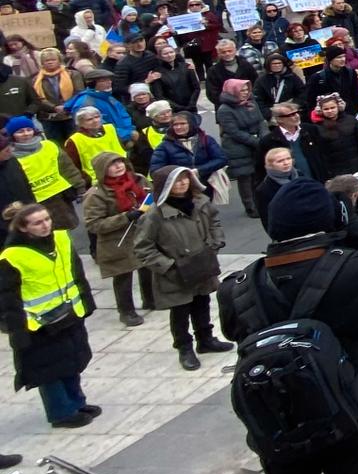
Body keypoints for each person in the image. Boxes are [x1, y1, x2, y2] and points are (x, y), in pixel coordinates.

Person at [218, 177, 358, 474]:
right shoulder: (355, 270)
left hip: (281, 417)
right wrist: (353, 223)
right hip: (352, 411)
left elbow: (235, 331)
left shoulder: (237, 287)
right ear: (333, 217)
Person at [0, 201, 99, 428]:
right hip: (40, 325)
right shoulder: (12, 256)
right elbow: (7, 299)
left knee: (72, 362)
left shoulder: (61, 239)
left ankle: (76, 402)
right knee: (50, 371)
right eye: (37, 223)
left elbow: (77, 273)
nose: (45, 226)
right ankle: (61, 413)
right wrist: (17, 334)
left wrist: (86, 303)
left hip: (69, 315)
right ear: (24, 228)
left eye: (47, 220)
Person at [134, 164, 232, 370]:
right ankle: (184, 348)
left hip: (201, 265)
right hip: (175, 273)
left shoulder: (200, 202)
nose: (183, 183)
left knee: (202, 303)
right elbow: (143, 248)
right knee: (180, 312)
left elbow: (214, 221)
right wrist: (169, 266)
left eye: (185, 178)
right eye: (177, 180)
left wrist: (215, 243)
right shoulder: (154, 215)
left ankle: (205, 339)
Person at [79, 153, 149, 326]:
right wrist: (125, 217)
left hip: (142, 232)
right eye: (112, 164)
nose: (119, 166)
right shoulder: (96, 194)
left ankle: (151, 299)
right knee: (123, 276)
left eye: (120, 162)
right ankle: (126, 312)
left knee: (149, 267)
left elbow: (151, 197)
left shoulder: (138, 180)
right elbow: (94, 224)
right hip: (116, 241)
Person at [5, 117, 84, 231]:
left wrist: (79, 186)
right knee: (44, 231)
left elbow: (67, 168)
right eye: (20, 131)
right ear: (12, 135)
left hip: (60, 196)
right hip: (34, 201)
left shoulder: (49, 145)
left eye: (28, 129)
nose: (26, 134)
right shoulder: (10, 157)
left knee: (66, 228)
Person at [215, 79, 267, 218]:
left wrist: (264, 138)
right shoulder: (224, 110)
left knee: (258, 175)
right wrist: (256, 142)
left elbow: (261, 121)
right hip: (237, 147)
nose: (245, 93)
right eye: (241, 90)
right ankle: (250, 206)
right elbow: (234, 132)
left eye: (246, 90)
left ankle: (262, 202)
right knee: (245, 177)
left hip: (256, 143)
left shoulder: (251, 103)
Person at [253, 147, 299, 225]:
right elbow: (267, 220)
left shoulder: (300, 176)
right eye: (280, 161)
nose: (286, 163)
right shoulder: (263, 189)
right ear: (270, 165)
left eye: (288, 158)